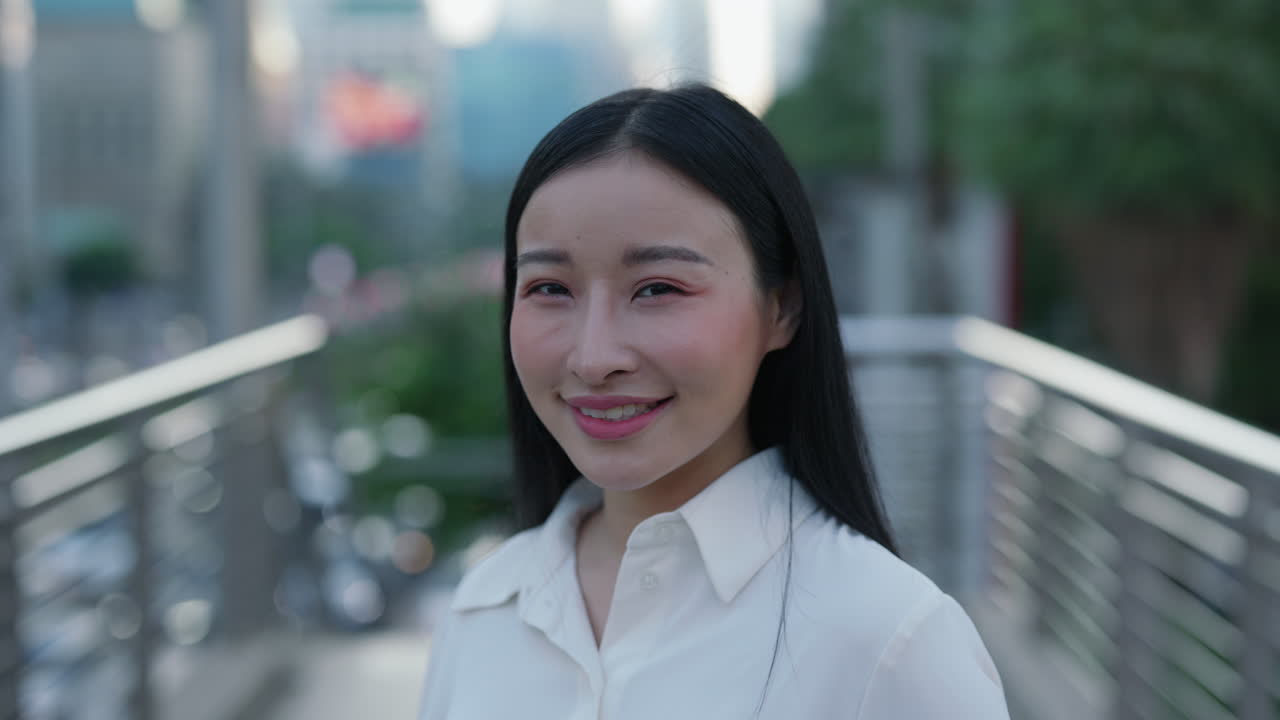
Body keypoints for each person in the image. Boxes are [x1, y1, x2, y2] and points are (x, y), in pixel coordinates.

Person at [417, 84, 1009, 719]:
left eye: (658, 288)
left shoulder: (890, 642)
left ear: (781, 308)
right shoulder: (483, 610)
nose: (593, 357)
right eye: (550, 288)